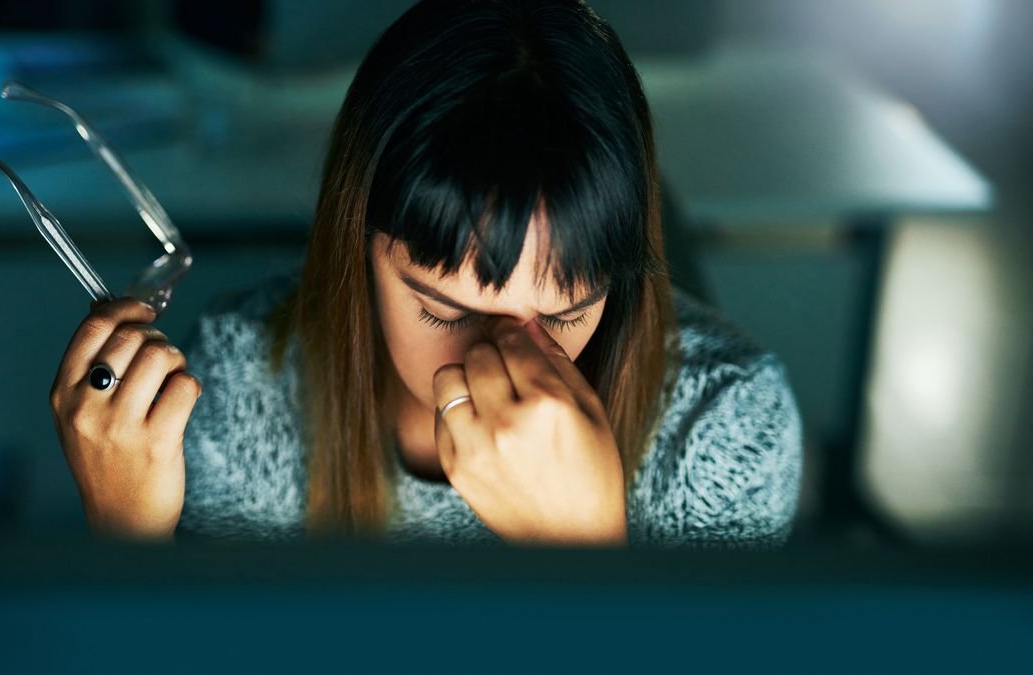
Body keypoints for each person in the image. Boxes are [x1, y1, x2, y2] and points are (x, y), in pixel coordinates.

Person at [49, 0, 803, 547]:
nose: (499, 360)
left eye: (568, 312)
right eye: (445, 309)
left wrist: (582, 554)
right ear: (358, 248)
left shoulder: (725, 426)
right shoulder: (241, 386)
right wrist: (125, 542)